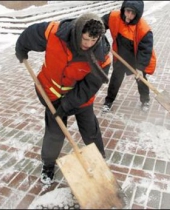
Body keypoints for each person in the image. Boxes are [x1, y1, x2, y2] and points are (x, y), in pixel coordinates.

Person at [15, 13, 111, 185]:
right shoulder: (55, 33)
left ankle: (99, 161)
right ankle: (48, 165)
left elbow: (89, 87)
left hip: (81, 99)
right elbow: (31, 34)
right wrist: (21, 48)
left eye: (93, 40)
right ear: (78, 32)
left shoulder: (102, 56)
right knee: (54, 133)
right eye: (85, 39)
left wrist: (67, 104)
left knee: (90, 130)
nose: (88, 45)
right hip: (51, 94)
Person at [101, 0, 157, 113]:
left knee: (141, 79)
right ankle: (109, 101)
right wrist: (98, 31)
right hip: (120, 55)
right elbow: (102, 23)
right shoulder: (114, 17)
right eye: (127, 11)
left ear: (138, 14)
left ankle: (145, 100)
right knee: (116, 78)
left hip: (137, 58)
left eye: (133, 13)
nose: (129, 16)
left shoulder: (143, 29)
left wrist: (140, 68)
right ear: (123, 9)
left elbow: (145, 50)